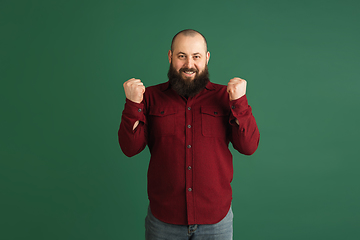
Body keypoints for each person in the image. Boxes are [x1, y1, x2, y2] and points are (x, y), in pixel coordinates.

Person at [118, 29, 260, 240]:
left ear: (207, 58)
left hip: (216, 220)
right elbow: (130, 148)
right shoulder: (149, 97)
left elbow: (248, 147)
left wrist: (239, 102)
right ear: (170, 56)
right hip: (164, 220)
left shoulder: (226, 96)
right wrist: (132, 104)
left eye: (196, 56)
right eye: (181, 56)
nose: (189, 64)